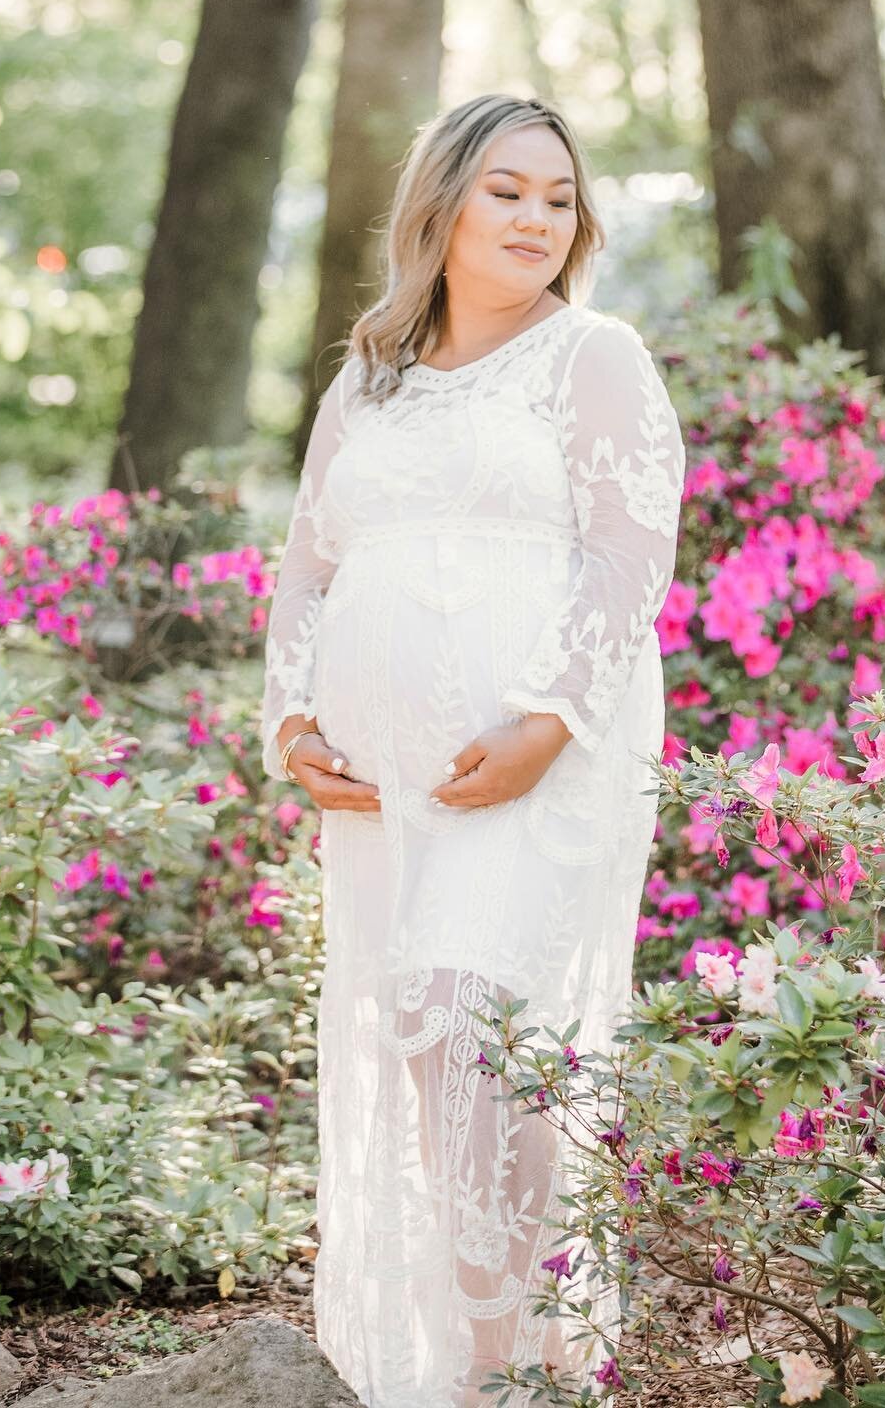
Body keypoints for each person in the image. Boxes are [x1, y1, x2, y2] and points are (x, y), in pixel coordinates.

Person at [260, 92, 686, 1407]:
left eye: (559, 199)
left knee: (473, 1022)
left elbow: (632, 550)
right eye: (508, 190)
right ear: (441, 206)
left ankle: (512, 1375)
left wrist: (550, 720)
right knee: (427, 1036)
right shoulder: (370, 375)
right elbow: (307, 565)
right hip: (386, 786)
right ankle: (510, 1351)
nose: (536, 219)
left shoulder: (593, 355)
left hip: (541, 758)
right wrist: (290, 725)